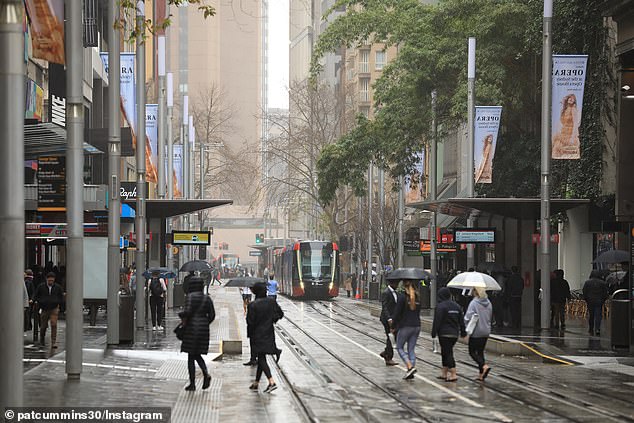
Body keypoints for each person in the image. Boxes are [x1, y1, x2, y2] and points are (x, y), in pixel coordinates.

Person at [247, 282, 284, 393]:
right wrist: (272, 319)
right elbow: (280, 314)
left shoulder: (253, 305)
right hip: (269, 333)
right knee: (261, 357)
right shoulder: (271, 302)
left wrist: (250, 335)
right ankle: (256, 383)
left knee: (261, 358)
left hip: (257, 334)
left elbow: (250, 322)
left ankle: (271, 382)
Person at [179, 277, 215, 391]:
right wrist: (205, 322)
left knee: (191, 355)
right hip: (204, 329)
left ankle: (193, 383)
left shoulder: (190, 297)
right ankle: (205, 373)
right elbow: (212, 315)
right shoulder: (207, 298)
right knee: (197, 354)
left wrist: (182, 315)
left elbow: (188, 312)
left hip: (191, 329)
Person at [432, 287, 467, 382]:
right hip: (454, 334)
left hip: (444, 334)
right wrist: (463, 332)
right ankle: (444, 373)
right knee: (445, 352)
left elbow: (437, 321)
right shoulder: (457, 306)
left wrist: (433, 333)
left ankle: (453, 373)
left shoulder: (440, 306)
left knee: (447, 353)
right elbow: (461, 321)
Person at [389, 280, 421, 380]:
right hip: (417, 325)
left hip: (406, 326)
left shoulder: (402, 297)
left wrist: (393, 326)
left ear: (404, 287)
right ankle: (410, 370)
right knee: (411, 349)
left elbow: (397, 313)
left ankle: (409, 366)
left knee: (399, 347)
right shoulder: (418, 297)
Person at [465, 287, 492, 381]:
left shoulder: (474, 303)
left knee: (472, 352)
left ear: (476, 292)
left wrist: (465, 327)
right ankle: (481, 374)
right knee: (480, 352)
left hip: (476, 331)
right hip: (486, 331)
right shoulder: (489, 303)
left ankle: (484, 366)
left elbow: (468, 317)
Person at [33, 272, 65, 348]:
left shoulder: (58, 287)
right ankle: (42, 340)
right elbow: (36, 294)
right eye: (49, 280)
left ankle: (53, 342)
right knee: (43, 326)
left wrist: (59, 304)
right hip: (44, 308)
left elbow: (61, 296)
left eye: (52, 280)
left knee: (54, 324)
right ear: (47, 279)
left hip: (54, 307)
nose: (51, 282)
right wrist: (34, 300)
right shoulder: (41, 286)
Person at [552, 93, 580, 159]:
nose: (571, 99)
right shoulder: (565, 110)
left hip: (569, 135)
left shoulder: (573, 109)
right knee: (557, 152)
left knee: (563, 152)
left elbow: (575, 124)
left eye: (573, 98)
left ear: (574, 101)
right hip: (563, 133)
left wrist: (573, 137)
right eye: (570, 97)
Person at [379, 279, 400, 366]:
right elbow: (385, 307)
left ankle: (386, 353)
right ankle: (388, 357)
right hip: (387, 319)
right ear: (391, 283)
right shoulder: (386, 292)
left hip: (393, 318)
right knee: (391, 336)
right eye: (396, 283)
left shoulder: (396, 293)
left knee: (391, 336)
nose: (397, 284)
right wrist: (389, 319)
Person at [582, 270, 609, 336]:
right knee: (598, 315)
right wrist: (603, 299)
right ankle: (597, 328)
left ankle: (591, 328)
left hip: (590, 300)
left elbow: (584, 291)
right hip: (599, 300)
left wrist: (586, 298)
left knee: (591, 315)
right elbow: (605, 292)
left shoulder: (587, 282)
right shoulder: (602, 283)